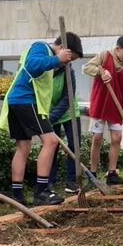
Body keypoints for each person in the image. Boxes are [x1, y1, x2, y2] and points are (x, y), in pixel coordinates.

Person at [0, 32, 83, 205]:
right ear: (62, 47)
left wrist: (58, 60)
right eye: (70, 57)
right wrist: (57, 59)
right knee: (51, 141)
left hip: (17, 100)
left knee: (23, 146)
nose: (68, 62)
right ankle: (42, 192)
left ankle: (17, 194)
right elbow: (32, 65)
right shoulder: (41, 47)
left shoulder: (50, 57)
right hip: (25, 100)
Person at [83, 35, 123, 185]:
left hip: (116, 105)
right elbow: (87, 67)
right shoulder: (104, 56)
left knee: (117, 138)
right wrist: (102, 72)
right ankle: (92, 175)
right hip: (100, 102)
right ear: (117, 49)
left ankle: (112, 174)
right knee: (97, 138)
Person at [48, 63, 81, 194]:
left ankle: (72, 181)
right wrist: (48, 118)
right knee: (51, 147)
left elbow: (68, 98)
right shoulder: (44, 70)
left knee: (74, 146)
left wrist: (52, 118)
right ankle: (48, 181)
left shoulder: (69, 72)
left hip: (69, 112)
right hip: (49, 112)